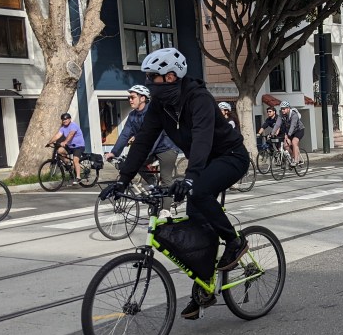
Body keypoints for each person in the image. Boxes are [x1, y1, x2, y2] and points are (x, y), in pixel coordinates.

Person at [100, 47, 250, 320]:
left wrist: (191, 178)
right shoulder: (161, 106)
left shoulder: (200, 99)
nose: (148, 83)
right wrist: (122, 180)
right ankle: (204, 288)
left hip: (230, 157)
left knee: (201, 192)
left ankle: (234, 241)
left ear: (170, 77)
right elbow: (144, 140)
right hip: (203, 163)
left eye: (152, 77)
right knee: (196, 222)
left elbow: (203, 138)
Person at [105, 85, 181, 184]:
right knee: (135, 164)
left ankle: (169, 195)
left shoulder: (153, 112)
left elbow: (156, 136)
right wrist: (114, 152)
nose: (130, 100)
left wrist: (144, 153)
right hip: (149, 148)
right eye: (129, 98)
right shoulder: (132, 116)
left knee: (165, 179)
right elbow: (125, 135)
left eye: (132, 97)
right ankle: (153, 183)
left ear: (143, 98)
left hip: (166, 147)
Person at [49, 112, 85, 185]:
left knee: (75, 160)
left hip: (78, 146)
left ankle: (78, 177)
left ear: (69, 119)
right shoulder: (63, 128)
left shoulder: (73, 126)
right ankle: (68, 164)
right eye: (63, 120)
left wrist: (65, 141)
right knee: (59, 151)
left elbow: (71, 134)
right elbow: (57, 135)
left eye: (66, 119)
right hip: (70, 146)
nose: (64, 121)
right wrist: (49, 142)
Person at [273, 101, 305, 165]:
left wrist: (288, 135)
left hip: (298, 130)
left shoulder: (294, 115)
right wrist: (272, 133)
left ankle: (296, 161)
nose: (282, 110)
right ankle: (293, 156)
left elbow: (293, 126)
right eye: (281, 109)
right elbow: (277, 124)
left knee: (294, 142)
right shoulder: (281, 115)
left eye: (284, 109)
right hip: (289, 131)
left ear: (288, 108)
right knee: (285, 145)